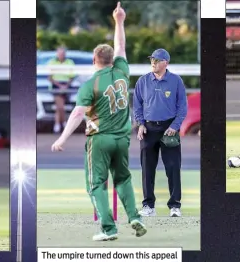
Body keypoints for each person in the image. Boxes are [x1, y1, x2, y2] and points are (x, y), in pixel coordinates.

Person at [51, 2, 146, 242]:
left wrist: (61, 139)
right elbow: (121, 45)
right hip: (123, 138)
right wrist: (119, 21)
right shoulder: (122, 72)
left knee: (96, 185)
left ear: (95, 59)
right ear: (112, 59)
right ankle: (134, 216)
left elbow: (76, 114)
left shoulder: (90, 84)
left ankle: (108, 228)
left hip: (99, 139)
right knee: (123, 178)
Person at [133, 48, 188, 218]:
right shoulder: (142, 81)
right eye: (152, 60)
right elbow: (137, 105)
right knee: (147, 169)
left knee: (173, 168)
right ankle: (148, 205)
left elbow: (182, 107)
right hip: (148, 129)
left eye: (157, 60)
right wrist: (140, 124)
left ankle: (174, 206)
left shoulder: (176, 81)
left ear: (166, 62)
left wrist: (175, 126)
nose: (153, 63)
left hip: (169, 129)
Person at [47, 46, 77, 134]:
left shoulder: (70, 62)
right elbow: (49, 77)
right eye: (59, 53)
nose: (61, 55)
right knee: (60, 106)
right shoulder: (52, 62)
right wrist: (59, 85)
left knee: (59, 107)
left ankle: (57, 125)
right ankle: (64, 123)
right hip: (56, 85)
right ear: (57, 54)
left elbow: (72, 76)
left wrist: (66, 85)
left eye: (63, 53)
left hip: (67, 85)